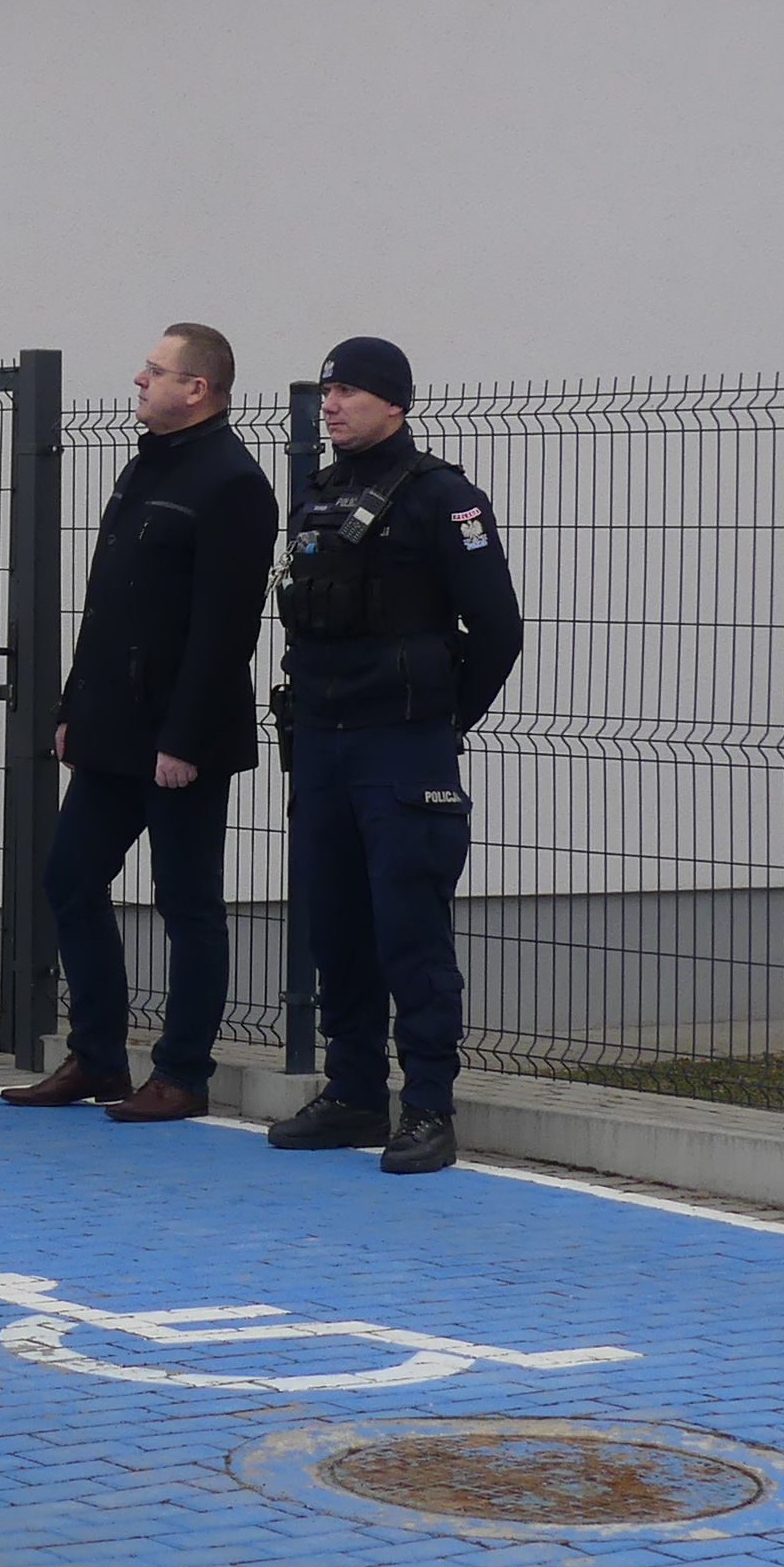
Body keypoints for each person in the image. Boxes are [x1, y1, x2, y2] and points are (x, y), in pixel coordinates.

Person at [4, 324, 278, 1122]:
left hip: (179, 739)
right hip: (111, 731)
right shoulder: (142, 468)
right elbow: (108, 606)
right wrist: (71, 711)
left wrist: (184, 741)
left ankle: (183, 1073)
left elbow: (226, 628)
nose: (139, 379)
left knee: (187, 902)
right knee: (70, 877)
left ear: (198, 388)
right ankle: (97, 1058)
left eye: (155, 372)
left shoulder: (232, 482)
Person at [265, 336, 521, 1176]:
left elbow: (497, 629)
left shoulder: (442, 498)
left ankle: (429, 1106)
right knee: (335, 926)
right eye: (328, 390)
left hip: (402, 746)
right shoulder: (322, 494)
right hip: (325, 747)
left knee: (409, 929)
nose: (330, 404)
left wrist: (445, 720)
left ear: (394, 405)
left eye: (348, 391)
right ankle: (351, 1093)